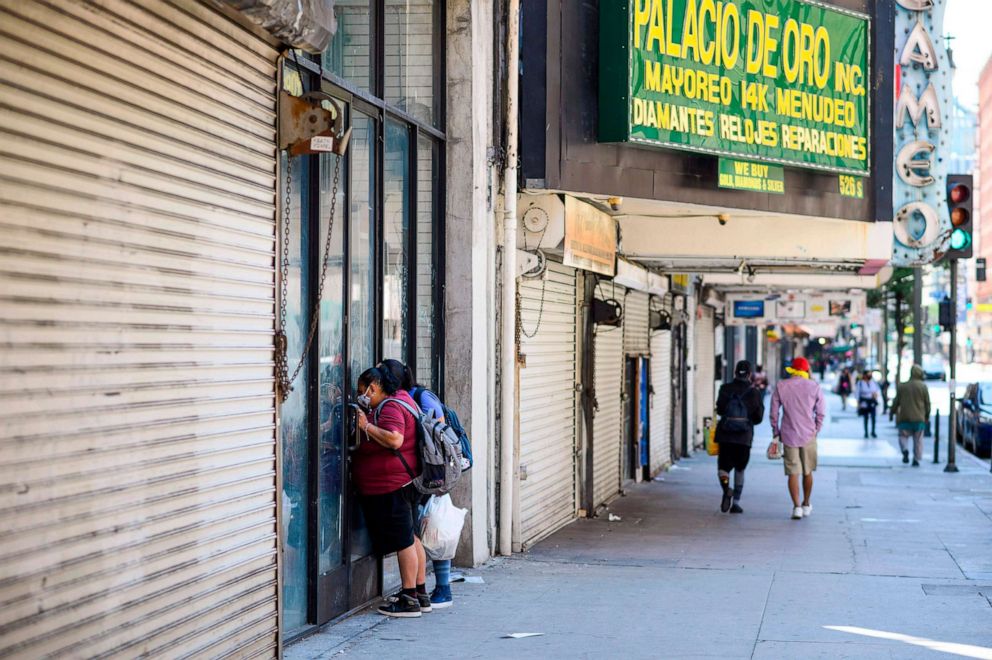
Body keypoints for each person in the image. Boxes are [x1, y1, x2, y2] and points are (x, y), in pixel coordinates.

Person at [352, 366, 429, 618]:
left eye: (362, 391)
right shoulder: (401, 400)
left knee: (403, 541)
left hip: (392, 486)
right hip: (403, 483)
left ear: (373, 387)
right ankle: (419, 593)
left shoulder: (390, 407)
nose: (360, 396)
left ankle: (408, 599)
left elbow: (395, 439)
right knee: (411, 537)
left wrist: (365, 426)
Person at [379, 358, 456, 609]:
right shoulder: (408, 397)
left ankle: (437, 588)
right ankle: (423, 592)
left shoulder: (417, 397)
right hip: (422, 470)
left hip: (432, 469)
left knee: (432, 524)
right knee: (418, 530)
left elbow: (440, 433)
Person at [769, 357, 826, 520]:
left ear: (792, 369)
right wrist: (816, 430)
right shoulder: (814, 387)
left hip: (788, 435)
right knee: (807, 471)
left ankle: (796, 507)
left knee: (793, 473)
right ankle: (806, 503)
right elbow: (821, 412)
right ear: (807, 370)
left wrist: (776, 431)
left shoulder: (782, 386)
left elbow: (774, 413)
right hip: (809, 435)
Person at [714, 360, 765, 514]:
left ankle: (726, 489)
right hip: (744, 437)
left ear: (735, 373)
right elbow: (759, 417)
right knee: (740, 469)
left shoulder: (725, 389)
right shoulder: (754, 392)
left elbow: (720, 410)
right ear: (749, 374)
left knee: (723, 469)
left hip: (726, 435)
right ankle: (735, 503)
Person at [890, 365, 931, 467]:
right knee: (918, 439)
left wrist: (892, 412)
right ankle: (916, 458)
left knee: (903, 436)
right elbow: (927, 403)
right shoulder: (923, 387)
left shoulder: (902, 386)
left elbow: (896, 401)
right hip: (919, 418)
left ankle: (905, 450)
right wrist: (927, 416)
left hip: (904, 416)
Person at [855, 371, 881, 439]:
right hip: (864, 402)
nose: (870, 375)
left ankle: (873, 431)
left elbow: (877, 390)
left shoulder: (873, 382)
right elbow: (857, 393)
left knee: (873, 417)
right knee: (866, 417)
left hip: (872, 401)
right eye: (868, 374)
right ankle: (866, 432)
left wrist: (875, 395)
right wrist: (858, 404)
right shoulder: (860, 383)